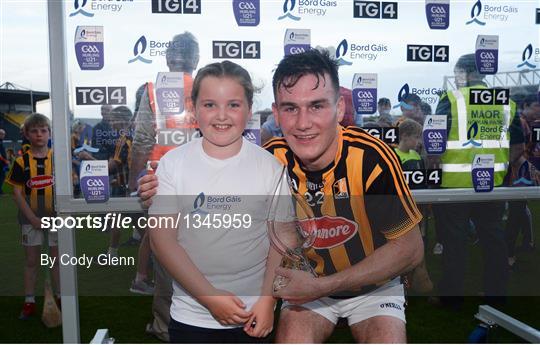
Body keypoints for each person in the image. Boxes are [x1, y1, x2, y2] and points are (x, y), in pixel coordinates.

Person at [141, 49, 424, 342]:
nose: (303, 123)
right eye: (291, 108)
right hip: (305, 282)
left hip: (371, 286)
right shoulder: (273, 158)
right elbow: (217, 178)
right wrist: (159, 186)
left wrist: (323, 285)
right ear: (276, 113)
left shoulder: (370, 158)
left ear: (339, 109)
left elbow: (410, 249)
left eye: (316, 106)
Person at [148, 61, 281, 343]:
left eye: (233, 104)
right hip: (190, 317)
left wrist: (268, 300)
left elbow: (281, 242)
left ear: (249, 109)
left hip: (254, 316)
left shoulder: (270, 167)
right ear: (194, 109)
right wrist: (209, 297)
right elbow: (162, 240)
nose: (222, 115)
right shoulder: (172, 165)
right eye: (210, 104)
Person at [431, 53, 525, 308]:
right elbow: (518, 146)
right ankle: (496, 295)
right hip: (492, 185)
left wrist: (435, 165)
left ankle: (452, 299)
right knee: (494, 239)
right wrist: (501, 168)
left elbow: (434, 145)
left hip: (454, 185)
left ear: (466, 73)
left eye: (459, 72)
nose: (457, 78)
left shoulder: (451, 99)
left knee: (455, 243)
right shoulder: (505, 103)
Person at [129, 31, 200, 341]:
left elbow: (143, 141)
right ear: (196, 60)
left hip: (161, 185)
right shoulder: (206, 88)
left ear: (168, 58)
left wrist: (134, 183)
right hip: (199, 184)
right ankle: (199, 319)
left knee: (166, 260)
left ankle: (164, 326)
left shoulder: (153, 90)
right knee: (199, 256)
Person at [5, 113, 60, 319]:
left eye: (43, 130)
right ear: (27, 134)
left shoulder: (57, 158)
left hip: (56, 218)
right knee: (31, 260)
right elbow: (17, 193)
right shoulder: (21, 161)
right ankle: (29, 300)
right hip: (29, 219)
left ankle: (60, 296)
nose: (39, 134)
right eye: (34, 131)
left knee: (56, 259)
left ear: (49, 133)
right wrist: (33, 218)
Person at [394, 119, 433, 293]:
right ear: (404, 136)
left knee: (417, 243)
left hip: (417, 208)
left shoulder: (417, 157)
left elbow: (422, 183)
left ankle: (414, 281)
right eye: (416, 137)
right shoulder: (394, 156)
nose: (418, 142)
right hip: (400, 211)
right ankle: (400, 283)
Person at [504, 87, 539, 269]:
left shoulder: (528, 123)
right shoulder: (520, 122)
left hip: (518, 175)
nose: (539, 109)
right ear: (524, 106)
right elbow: (518, 151)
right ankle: (508, 255)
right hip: (515, 177)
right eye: (536, 106)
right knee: (515, 215)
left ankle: (525, 244)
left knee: (520, 213)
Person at [0, 128, 8, 194]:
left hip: (2, 162)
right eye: (2, 134)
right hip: (1, 163)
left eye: (4, 134)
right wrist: (5, 160)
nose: (4, 135)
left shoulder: (1, 142)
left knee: (2, 175)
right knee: (2, 176)